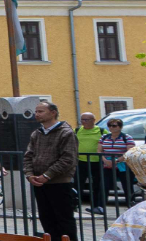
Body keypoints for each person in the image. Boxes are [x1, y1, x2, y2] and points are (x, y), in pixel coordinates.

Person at [24, 99, 77, 241]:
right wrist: (29, 175)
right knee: (46, 218)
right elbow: (28, 156)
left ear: (53, 113)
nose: (36, 114)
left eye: (40, 111)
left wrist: (47, 175)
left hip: (59, 182)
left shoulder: (66, 133)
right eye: (36, 111)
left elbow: (68, 159)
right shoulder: (37, 133)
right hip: (39, 183)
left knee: (64, 219)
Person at [99, 117, 137, 208]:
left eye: (114, 126)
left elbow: (130, 151)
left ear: (120, 127)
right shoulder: (104, 137)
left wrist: (116, 161)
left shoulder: (126, 137)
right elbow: (99, 150)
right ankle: (100, 206)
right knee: (104, 186)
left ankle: (131, 205)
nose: (111, 128)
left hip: (123, 165)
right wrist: (105, 160)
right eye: (109, 125)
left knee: (127, 186)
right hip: (107, 165)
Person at [75, 111, 105, 214]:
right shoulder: (77, 130)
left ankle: (96, 206)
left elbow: (109, 142)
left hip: (97, 162)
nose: (84, 122)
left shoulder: (101, 131)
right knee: (78, 184)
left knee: (97, 185)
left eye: (87, 120)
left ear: (93, 120)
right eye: (82, 119)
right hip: (81, 162)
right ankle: (75, 205)